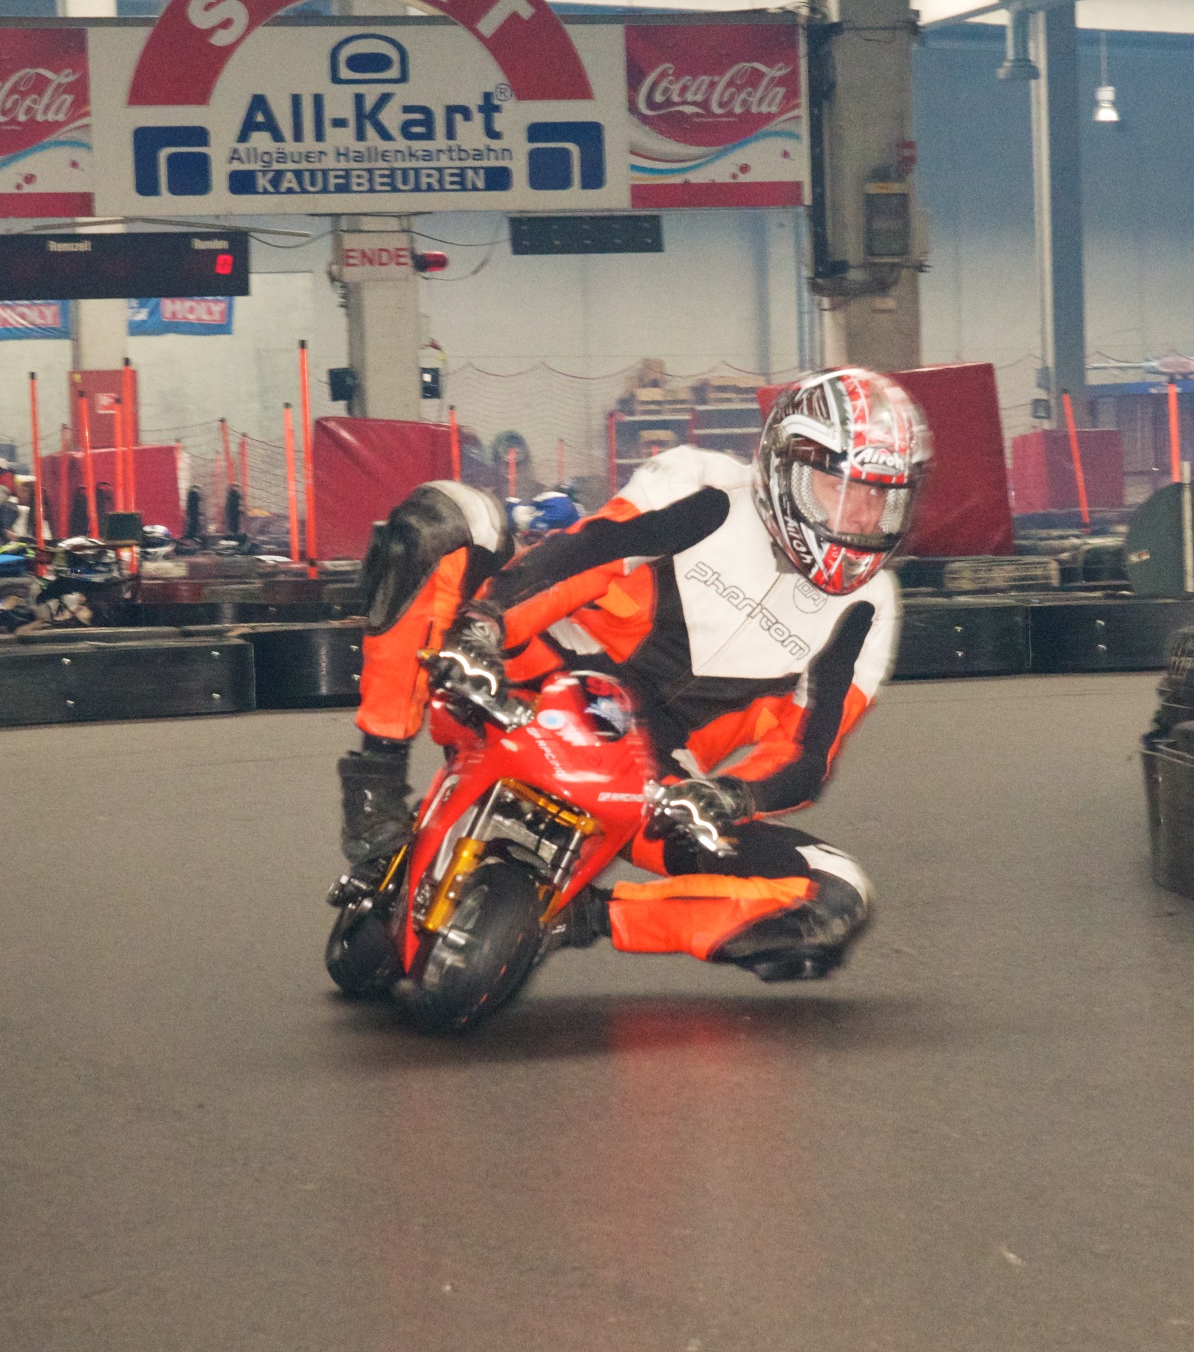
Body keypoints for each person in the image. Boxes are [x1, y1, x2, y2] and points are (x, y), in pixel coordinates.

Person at [337, 367, 929, 982]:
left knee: (837, 893)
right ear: (788, 468)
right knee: (449, 516)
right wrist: (487, 624)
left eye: (881, 497)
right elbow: (585, 555)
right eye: (840, 486)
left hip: (654, 783)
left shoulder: (871, 606)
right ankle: (377, 779)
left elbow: (806, 753)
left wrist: (734, 795)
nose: (862, 515)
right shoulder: (706, 487)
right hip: (534, 675)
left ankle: (580, 917)